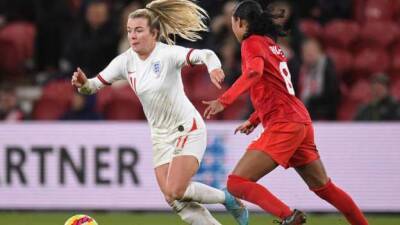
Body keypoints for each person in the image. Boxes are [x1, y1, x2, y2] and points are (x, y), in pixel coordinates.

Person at [71, 1, 248, 225]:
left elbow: (206, 54)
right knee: (173, 198)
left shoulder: (167, 54)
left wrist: (213, 66)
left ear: (154, 33)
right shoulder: (125, 61)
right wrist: (83, 83)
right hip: (160, 136)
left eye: (138, 30)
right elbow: (93, 86)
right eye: (129, 31)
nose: (132, 36)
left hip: (186, 127)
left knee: (176, 189)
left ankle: (227, 197)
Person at [203, 1, 369, 225]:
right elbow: (276, 88)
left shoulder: (250, 43)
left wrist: (224, 100)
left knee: (236, 183)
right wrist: (255, 118)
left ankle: (289, 217)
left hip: (285, 122)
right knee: (324, 187)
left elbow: (254, 73)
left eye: (233, 21)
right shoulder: (271, 45)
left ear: (239, 22)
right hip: (299, 120)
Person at [299, 38, 340, 120]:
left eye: (312, 51)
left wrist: (311, 101)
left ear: (319, 52)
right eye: (306, 52)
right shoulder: (300, 69)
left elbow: (332, 94)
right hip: (304, 112)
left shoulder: (327, 68)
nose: (309, 54)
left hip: (324, 114)